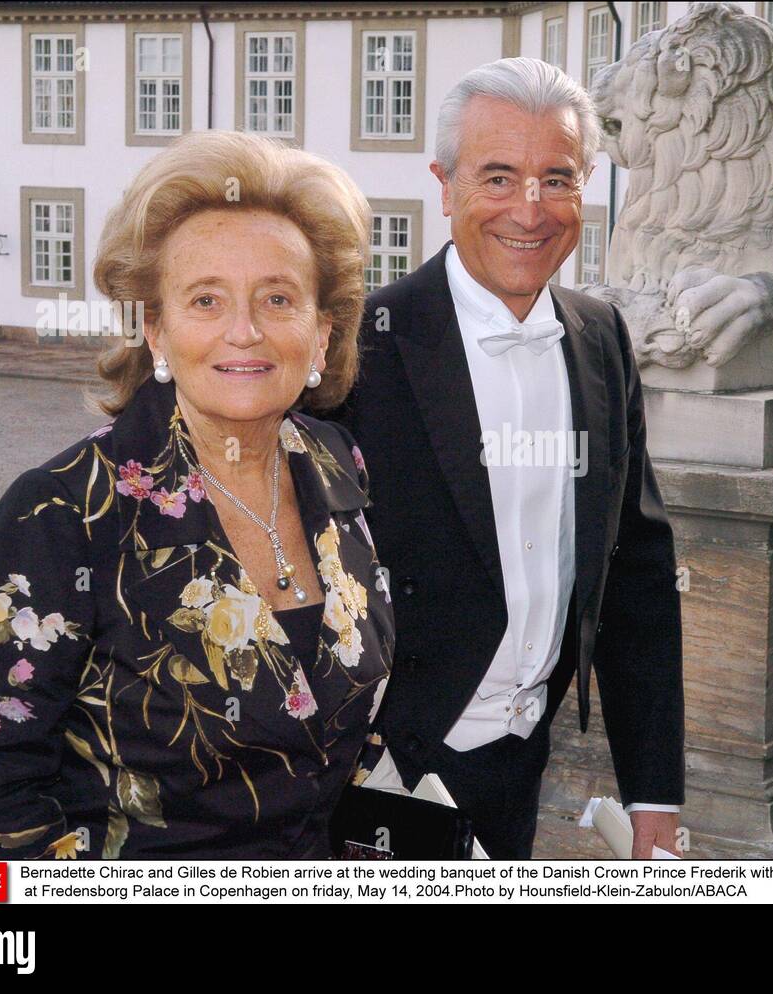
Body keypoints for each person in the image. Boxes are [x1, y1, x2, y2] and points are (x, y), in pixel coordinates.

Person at [0, 131, 393, 859]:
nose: (243, 331)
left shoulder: (338, 463)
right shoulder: (63, 510)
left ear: (321, 334)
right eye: (206, 299)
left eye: (277, 298)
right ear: (155, 328)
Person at [332, 58, 684, 859]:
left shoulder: (603, 338)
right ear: (444, 184)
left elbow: (635, 573)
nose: (531, 209)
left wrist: (654, 792)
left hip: (520, 767)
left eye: (556, 179)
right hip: (380, 775)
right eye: (498, 177)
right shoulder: (360, 348)